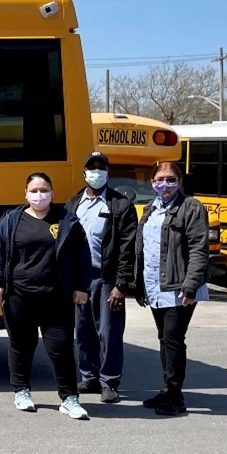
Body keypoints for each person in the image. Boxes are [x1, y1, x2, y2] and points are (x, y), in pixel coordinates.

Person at [0, 172, 94, 419]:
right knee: (21, 344)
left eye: (44, 190)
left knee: (60, 346)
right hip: (19, 294)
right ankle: (21, 391)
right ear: (25, 194)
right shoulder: (11, 220)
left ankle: (69, 398)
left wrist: (81, 287)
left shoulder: (67, 220)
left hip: (56, 295)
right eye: (34, 191)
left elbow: (82, 254)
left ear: (52, 193)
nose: (39, 195)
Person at [135, 159, 211, 416]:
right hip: (156, 285)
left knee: (173, 339)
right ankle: (167, 390)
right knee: (164, 339)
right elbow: (144, 249)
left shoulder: (191, 207)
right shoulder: (149, 209)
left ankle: (176, 398)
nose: (165, 185)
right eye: (159, 180)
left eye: (170, 180)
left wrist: (190, 286)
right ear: (152, 183)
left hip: (180, 287)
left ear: (180, 182)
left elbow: (199, 249)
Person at [66, 150, 138, 403]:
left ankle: (109, 382)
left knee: (108, 332)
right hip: (79, 279)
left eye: (101, 167)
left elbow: (127, 248)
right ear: (84, 172)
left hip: (106, 279)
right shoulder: (73, 203)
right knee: (83, 331)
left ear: (107, 172)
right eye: (91, 167)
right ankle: (89, 377)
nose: (96, 172)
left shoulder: (120, 205)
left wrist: (121, 284)